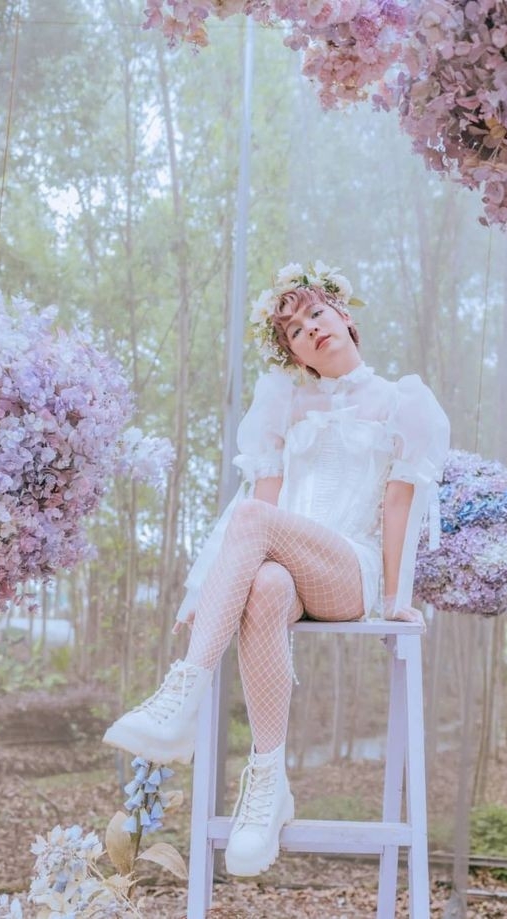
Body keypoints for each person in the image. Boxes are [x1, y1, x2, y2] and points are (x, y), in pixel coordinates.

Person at [103, 261, 450, 878]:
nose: (309, 328)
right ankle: (268, 783)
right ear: (293, 354)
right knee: (264, 583)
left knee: (256, 526)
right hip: (284, 572)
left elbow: (400, 506)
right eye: (293, 330)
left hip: (349, 569)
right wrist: (206, 589)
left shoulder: (402, 401)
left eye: (316, 313)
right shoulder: (284, 404)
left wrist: (398, 597)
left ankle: (183, 696)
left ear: (343, 315)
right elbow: (256, 506)